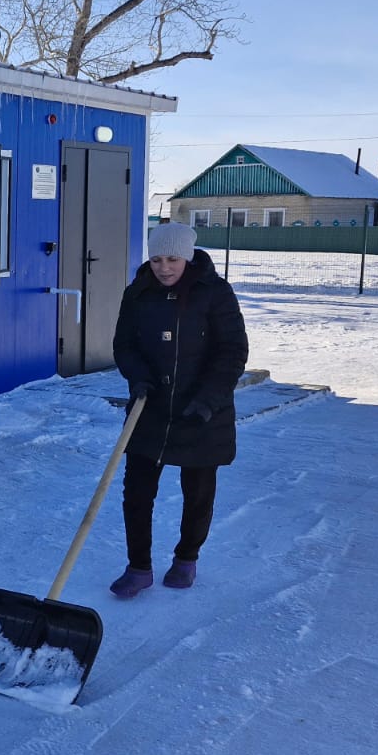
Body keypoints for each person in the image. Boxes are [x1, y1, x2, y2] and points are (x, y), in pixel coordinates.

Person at [110, 221, 248, 597]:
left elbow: (232, 352)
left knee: (198, 493)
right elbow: (124, 345)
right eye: (156, 259)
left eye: (172, 258)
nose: (164, 267)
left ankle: (187, 559)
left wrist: (207, 402)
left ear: (187, 257)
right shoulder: (138, 292)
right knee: (136, 493)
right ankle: (138, 567)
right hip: (149, 409)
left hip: (202, 411)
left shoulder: (215, 294)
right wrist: (138, 379)